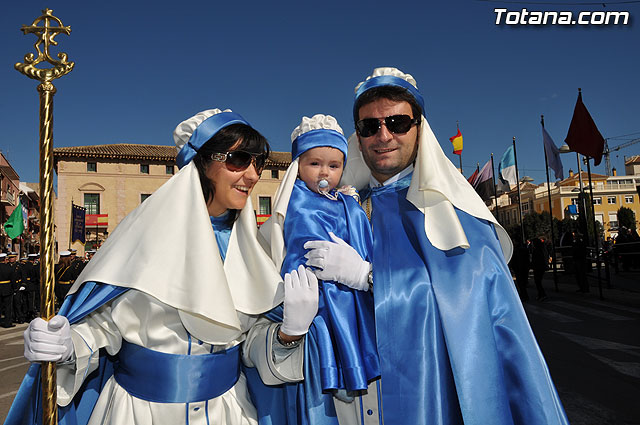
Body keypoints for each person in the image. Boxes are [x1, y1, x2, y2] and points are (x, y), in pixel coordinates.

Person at [303, 67, 569, 424]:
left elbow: (465, 308)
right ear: (358, 136)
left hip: (430, 398)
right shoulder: (340, 207)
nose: (383, 135)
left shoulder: (460, 217)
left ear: (419, 128)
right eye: (370, 126)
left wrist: (368, 277)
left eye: (397, 123)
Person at [6, 109, 289, 425]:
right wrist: (66, 345)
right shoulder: (144, 238)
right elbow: (104, 325)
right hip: (141, 413)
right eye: (238, 160)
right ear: (201, 163)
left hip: (231, 410)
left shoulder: (252, 247)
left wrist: (285, 335)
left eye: (258, 164)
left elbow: (250, 341)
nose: (252, 175)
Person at [244, 114, 379, 424]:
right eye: (314, 164)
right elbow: (294, 249)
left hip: (347, 294)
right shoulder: (296, 203)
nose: (324, 172)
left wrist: (361, 272)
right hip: (314, 295)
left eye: (334, 166)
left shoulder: (349, 205)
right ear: (298, 167)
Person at [0, 252, 17, 328]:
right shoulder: (9, 267)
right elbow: (13, 279)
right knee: (8, 307)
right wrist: (14, 288)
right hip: (7, 288)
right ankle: (7, 322)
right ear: (5, 259)